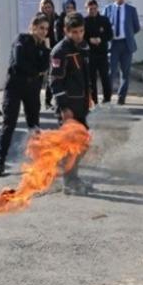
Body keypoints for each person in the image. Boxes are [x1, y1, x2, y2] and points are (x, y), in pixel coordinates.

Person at [0, 13, 51, 177]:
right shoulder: (22, 39)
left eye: (46, 29)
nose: (43, 32)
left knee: (34, 125)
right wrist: (37, 71)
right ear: (33, 27)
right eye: (41, 28)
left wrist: (46, 51)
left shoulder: (43, 47)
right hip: (15, 87)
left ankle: (38, 160)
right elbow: (19, 63)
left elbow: (45, 67)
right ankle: (0, 161)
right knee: (9, 123)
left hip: (32, 88)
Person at [49, 12, 94, 195]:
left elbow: (85, 76)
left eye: (81, 31)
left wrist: (89, 96)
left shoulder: (83, 46)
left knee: (83, 144)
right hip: (68, 107)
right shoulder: (60, 51)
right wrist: (64, 108)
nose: (79, 35)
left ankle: (74, 176)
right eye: (74, 32)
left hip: (81, 104)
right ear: (66, 31)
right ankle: (69, 182)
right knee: (71, 146)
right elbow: (55, 82)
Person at [104, 0, 140, 105]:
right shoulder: (108, 9)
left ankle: (121, 96)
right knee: (111, 71)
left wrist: (128, 34)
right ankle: (107, 96)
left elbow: (136, 27)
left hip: (126, 44)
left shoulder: (131, 10)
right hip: (113, 44)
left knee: (125, 72)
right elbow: (104, 26)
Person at [83, 0, 113, 104]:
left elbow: (110, 35)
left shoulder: (104, 20)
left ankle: (107, 98)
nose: (93, 11)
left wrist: (101, 39)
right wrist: (89, 40)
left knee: (105, 77)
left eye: (94, 8)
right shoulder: (84, 21)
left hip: (102, 53)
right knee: (92, 79)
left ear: (97, 8)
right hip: (90, 54)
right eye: (90, 9)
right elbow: (81, 37)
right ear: (86, 9)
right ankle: (94, 100)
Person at [39, 0, 61, 108]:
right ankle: (36, 101)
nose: (47, 9)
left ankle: (48, 100)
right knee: (40, 75)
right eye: (45, 7)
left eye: (49, 7)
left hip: (54, 50)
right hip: (42, 50)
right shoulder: (39, 19)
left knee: (52, 75)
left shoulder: (56, 18)